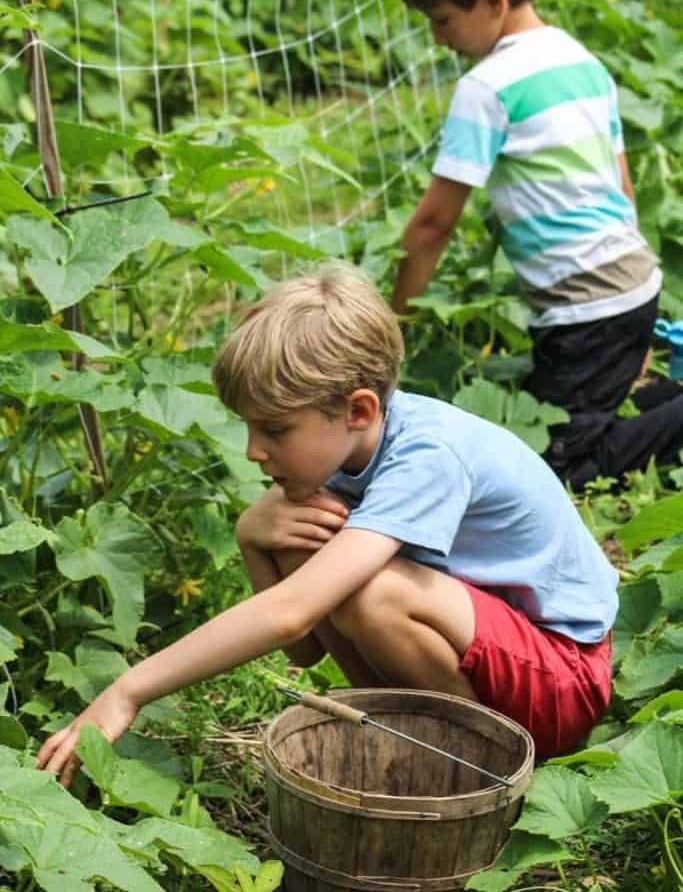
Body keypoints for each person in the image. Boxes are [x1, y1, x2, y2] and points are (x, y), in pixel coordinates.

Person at [38, 266, 617, 783]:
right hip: (493, 650)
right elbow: (304, 648)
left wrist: (129, 690)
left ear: (359, 409)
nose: (253, 451)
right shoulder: (341, 455)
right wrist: (252, 539)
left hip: (562, 677)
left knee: (376, 595)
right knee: (311, 542)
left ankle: (479, 764)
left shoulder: (428, 457)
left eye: (275, 431)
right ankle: (403, 730)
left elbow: (292, 611)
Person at [391, 0, 683, 487]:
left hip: (587, 311)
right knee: (567, 418)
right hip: (630, 286)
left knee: (560, 466)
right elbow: (622, 187)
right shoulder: (581, 60)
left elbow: (431, 226)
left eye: (443, 19)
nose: (438, 38)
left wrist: (393, 323)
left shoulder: (487, 88)